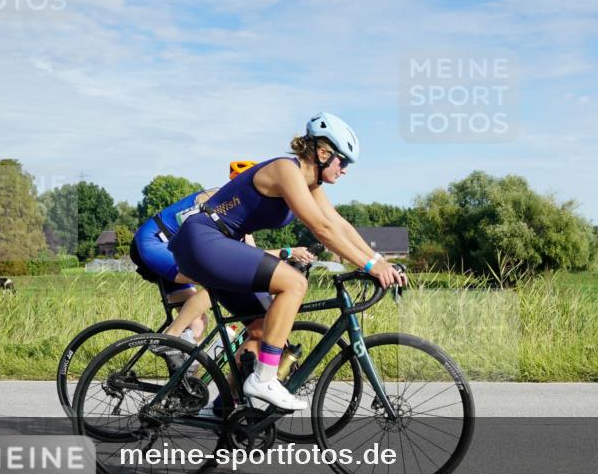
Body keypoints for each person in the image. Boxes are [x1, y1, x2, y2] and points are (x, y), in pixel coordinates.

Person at [168, 112, 407, 410]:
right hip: (203, 239)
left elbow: (338, 224)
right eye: (342, 161)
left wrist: (378, 260)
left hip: (218, 244)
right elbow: (321, 229)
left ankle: (224, 409)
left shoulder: (311, 185)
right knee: (294, 283)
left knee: (259, 326)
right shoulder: (285, 170)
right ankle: (264, 379)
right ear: (322, 153)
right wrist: (370, 267)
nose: (344, 170)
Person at [129, 163, 315, 348]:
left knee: (197, 324)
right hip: (154, 243)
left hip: (175, 249)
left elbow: (253, 256)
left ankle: (187, 373)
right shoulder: (216, 200)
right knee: (217, 278)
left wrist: (286, 256)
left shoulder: (242, 219)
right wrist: (288, 252)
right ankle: (170, 337)